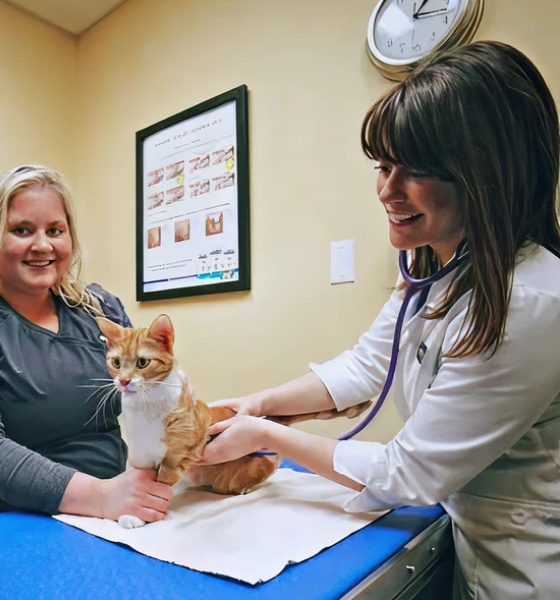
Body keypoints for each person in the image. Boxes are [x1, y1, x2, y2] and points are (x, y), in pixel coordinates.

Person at [200, 41, 560, 599]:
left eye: (415, 171)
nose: (387, 191)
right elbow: (368, 366)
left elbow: (409, 474)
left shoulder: (532, 301)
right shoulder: (432, 271)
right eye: (383, 166)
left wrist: (268, 436)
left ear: (488, 172)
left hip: (530, 568)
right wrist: (260, 403)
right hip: (469, 542)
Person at [0, 165, 172, 523]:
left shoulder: (100, 310)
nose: (43, 245)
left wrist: (206, 434)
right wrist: (101, 497)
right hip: (10, 524)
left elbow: (153, 398)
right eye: (22, 230)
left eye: (55, 230)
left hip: (114, 519)